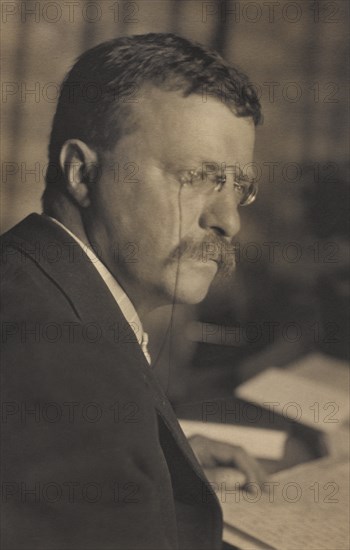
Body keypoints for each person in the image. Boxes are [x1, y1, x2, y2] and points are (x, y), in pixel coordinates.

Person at [1, 33, 263, 549]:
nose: (228, 221)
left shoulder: (30, 276)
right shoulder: (61, 363)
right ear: (81, 173)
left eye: (239, 188)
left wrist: (151, 453)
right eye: (195, 177)